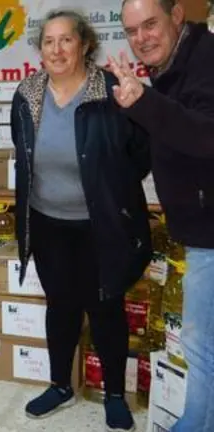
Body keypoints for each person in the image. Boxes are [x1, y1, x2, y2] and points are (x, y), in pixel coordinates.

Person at [10, 9, 151, 431]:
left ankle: (113, 394)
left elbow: (140, 154)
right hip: (48, 223)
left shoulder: (109, 91)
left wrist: (111, 192)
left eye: (66, 40)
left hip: (99, 224)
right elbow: (25, 156)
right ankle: (59, 384)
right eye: (49, 41)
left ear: (84, 44)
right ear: (40, 50)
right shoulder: (27, 93)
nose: (57, 49)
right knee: (61, 306)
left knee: (106, 308)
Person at [115, 1, 214, 430]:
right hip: (197, 227)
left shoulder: (207, 59)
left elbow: (206, 135)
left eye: (150, 24)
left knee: (199, 343)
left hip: (211, 231)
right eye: (133, 30)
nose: (142, 39)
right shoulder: (169, 69)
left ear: (176, 17)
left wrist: (144, 103)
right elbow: (161, 143)